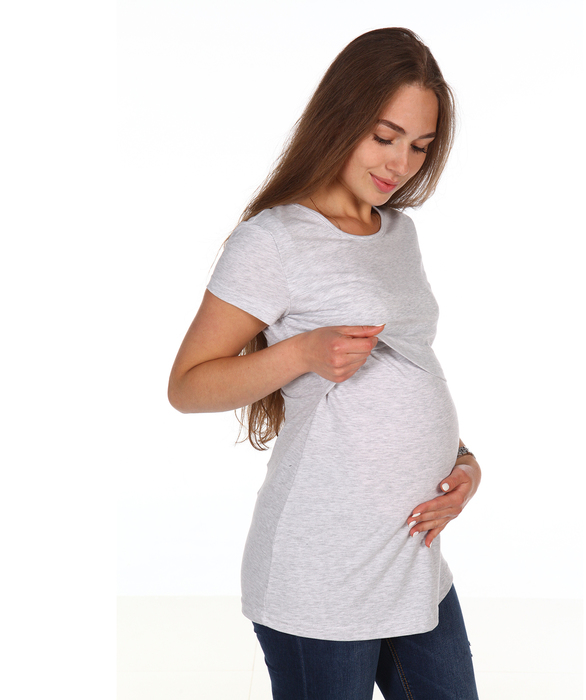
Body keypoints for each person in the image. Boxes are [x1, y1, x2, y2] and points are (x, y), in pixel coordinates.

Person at [168, 27, 481, 700]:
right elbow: (188, 386)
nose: (401, 162)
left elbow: (411, 365)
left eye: (419, 145)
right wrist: (302, 352)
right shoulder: (274, 239)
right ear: (341, 118)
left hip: (414, 559)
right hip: (321, 573)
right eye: (385, 136)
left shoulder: (399, 233)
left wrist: (461, 460)